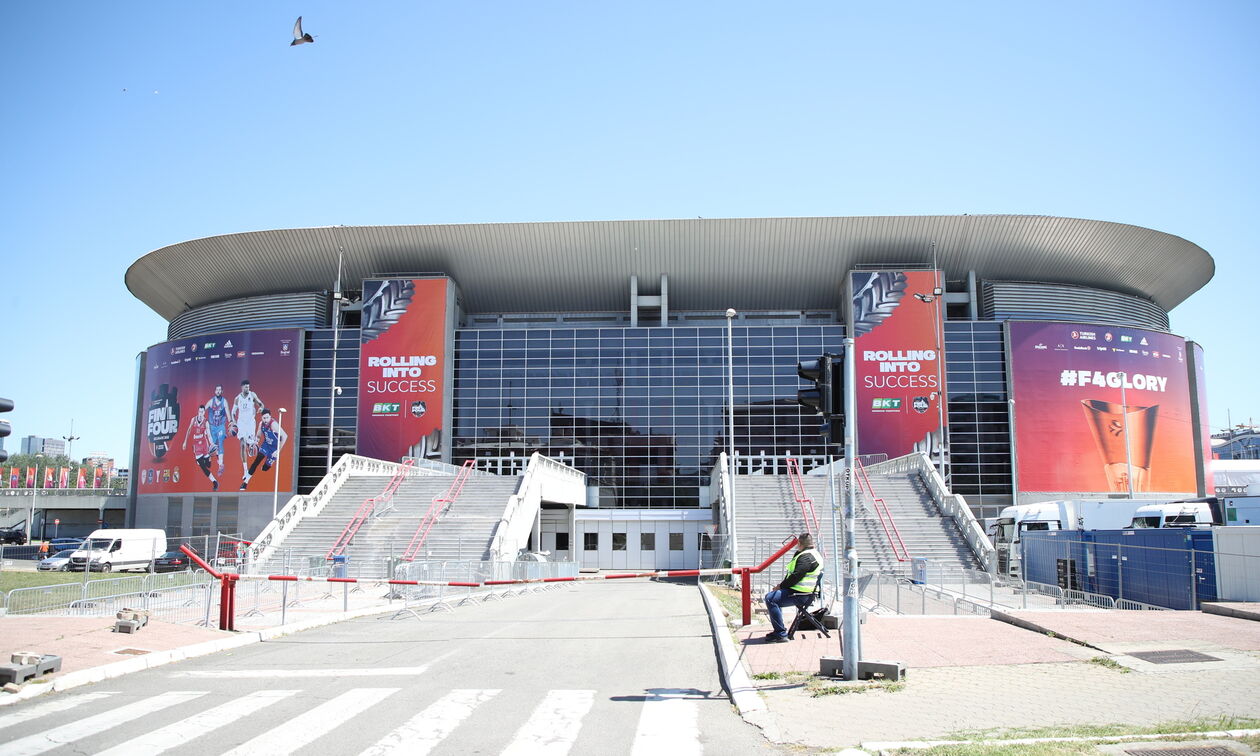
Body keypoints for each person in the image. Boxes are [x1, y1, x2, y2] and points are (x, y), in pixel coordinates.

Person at [763, 532, 822, 643]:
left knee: (770, 599)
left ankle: (780, 634)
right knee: (774, 598)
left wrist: (780, 586)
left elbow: (795, 577)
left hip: (801, 594)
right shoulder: (815, 554)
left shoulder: (805, 557)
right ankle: (779, 630)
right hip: (804, 592)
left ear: (799, 543)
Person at [241, 408, 287, 490]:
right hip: (266, 445)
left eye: (267, 417)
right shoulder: (261, 424)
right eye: (264, 418)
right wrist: (256, 442)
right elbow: (258, 435)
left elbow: (285, 436)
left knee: (265, 468)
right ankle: (245, 483)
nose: (266, 420)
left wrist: (278, 451)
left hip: (275, 448)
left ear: (270, 417)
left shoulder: (274, 425)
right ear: (262, 418)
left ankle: (266, 465)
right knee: (256, 461)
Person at [231, 379, 263, 486]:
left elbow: (261, 404)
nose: (247, 388)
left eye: (248, 387)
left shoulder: (252, 395)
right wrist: (234, 423)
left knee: (251, 445)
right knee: (242, 444)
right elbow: (233, 412)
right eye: (245, 387)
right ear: (242, 387)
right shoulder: (237, 399)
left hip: (250, 423)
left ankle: (252, 445)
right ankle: (245, 470)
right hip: (241, 424)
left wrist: (261, 408)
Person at [182, 404, 219, 491]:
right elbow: (189, 430)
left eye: (202, 412)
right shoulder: (193, 419)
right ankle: (214, 481)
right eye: (199, 411)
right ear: (198, 411)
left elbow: (209, 434)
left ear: (204, 412)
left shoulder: (206, 422)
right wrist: (185, 442)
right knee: (203, 467)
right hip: (196, 445)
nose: (200, 413)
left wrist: (212, 444)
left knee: (208, 465)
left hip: (204, 443)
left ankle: (208, 457)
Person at [206, 384, 230, 477]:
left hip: (221, 426)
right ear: (215, 391)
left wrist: (231, 421)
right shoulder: (211, 401)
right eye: (217, 390)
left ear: (222, 391)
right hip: (212, 427)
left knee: (220, 442)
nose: (218, 391)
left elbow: (227, 411)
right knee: (213, 446)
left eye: (220, 390)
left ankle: (221, 464)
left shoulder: (224, 402)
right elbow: (204, 409)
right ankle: (211, 459)